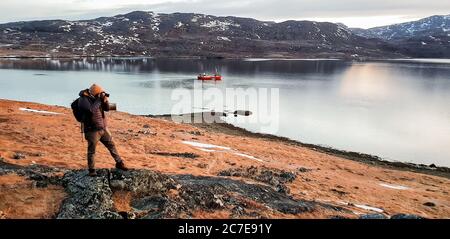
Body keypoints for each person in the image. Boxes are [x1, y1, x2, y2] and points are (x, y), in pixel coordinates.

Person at [78, 84, 128, 176]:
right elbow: (90, 110)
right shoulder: (83, 99)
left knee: (112, 145)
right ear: (95, 93)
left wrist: (105, 101)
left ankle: (119, 163)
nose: (101, 95)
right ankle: (92, 170)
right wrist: (98, 100)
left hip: (103, 128)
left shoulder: (98, 99)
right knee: (92, 150)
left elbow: (108, 109)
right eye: (99, 93)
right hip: (92, 130)